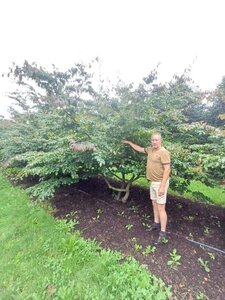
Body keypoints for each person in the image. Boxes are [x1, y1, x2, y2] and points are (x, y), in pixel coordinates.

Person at [122, 132, 171, 244]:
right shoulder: (150, 150)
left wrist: (162, 187)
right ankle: (156, 224)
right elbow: (139, 149)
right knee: (154, 203)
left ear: (161, 140)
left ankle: (163, 233)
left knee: (161, 207)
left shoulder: (163, 152)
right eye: (153, 140)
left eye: (156, 140)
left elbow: (167, 170)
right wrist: (129, 143)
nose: (154, 142)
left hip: (160, 183)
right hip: (153, 182)